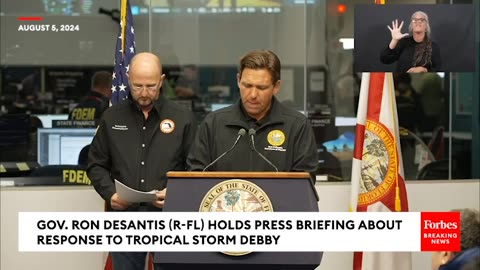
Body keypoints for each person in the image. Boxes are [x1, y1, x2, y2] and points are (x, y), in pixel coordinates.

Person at [87, 52, 197, 270]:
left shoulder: (183, 118)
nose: (144, 93)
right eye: (137, 86)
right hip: (125, 219)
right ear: (128, 79)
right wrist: (111, 194)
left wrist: (177, 194)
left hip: (170, 219)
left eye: (151, 86)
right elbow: (96, 164)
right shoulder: (112, 117)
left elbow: (196, 168)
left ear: (162, 81)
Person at [187, 50, 318, 180]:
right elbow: (196, 174)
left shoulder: (297, 125)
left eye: (261, 87)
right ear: (238, 80)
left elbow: (304, 183)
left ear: (276, 86)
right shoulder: (214, 123)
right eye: (247, 85)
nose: (253, 95)